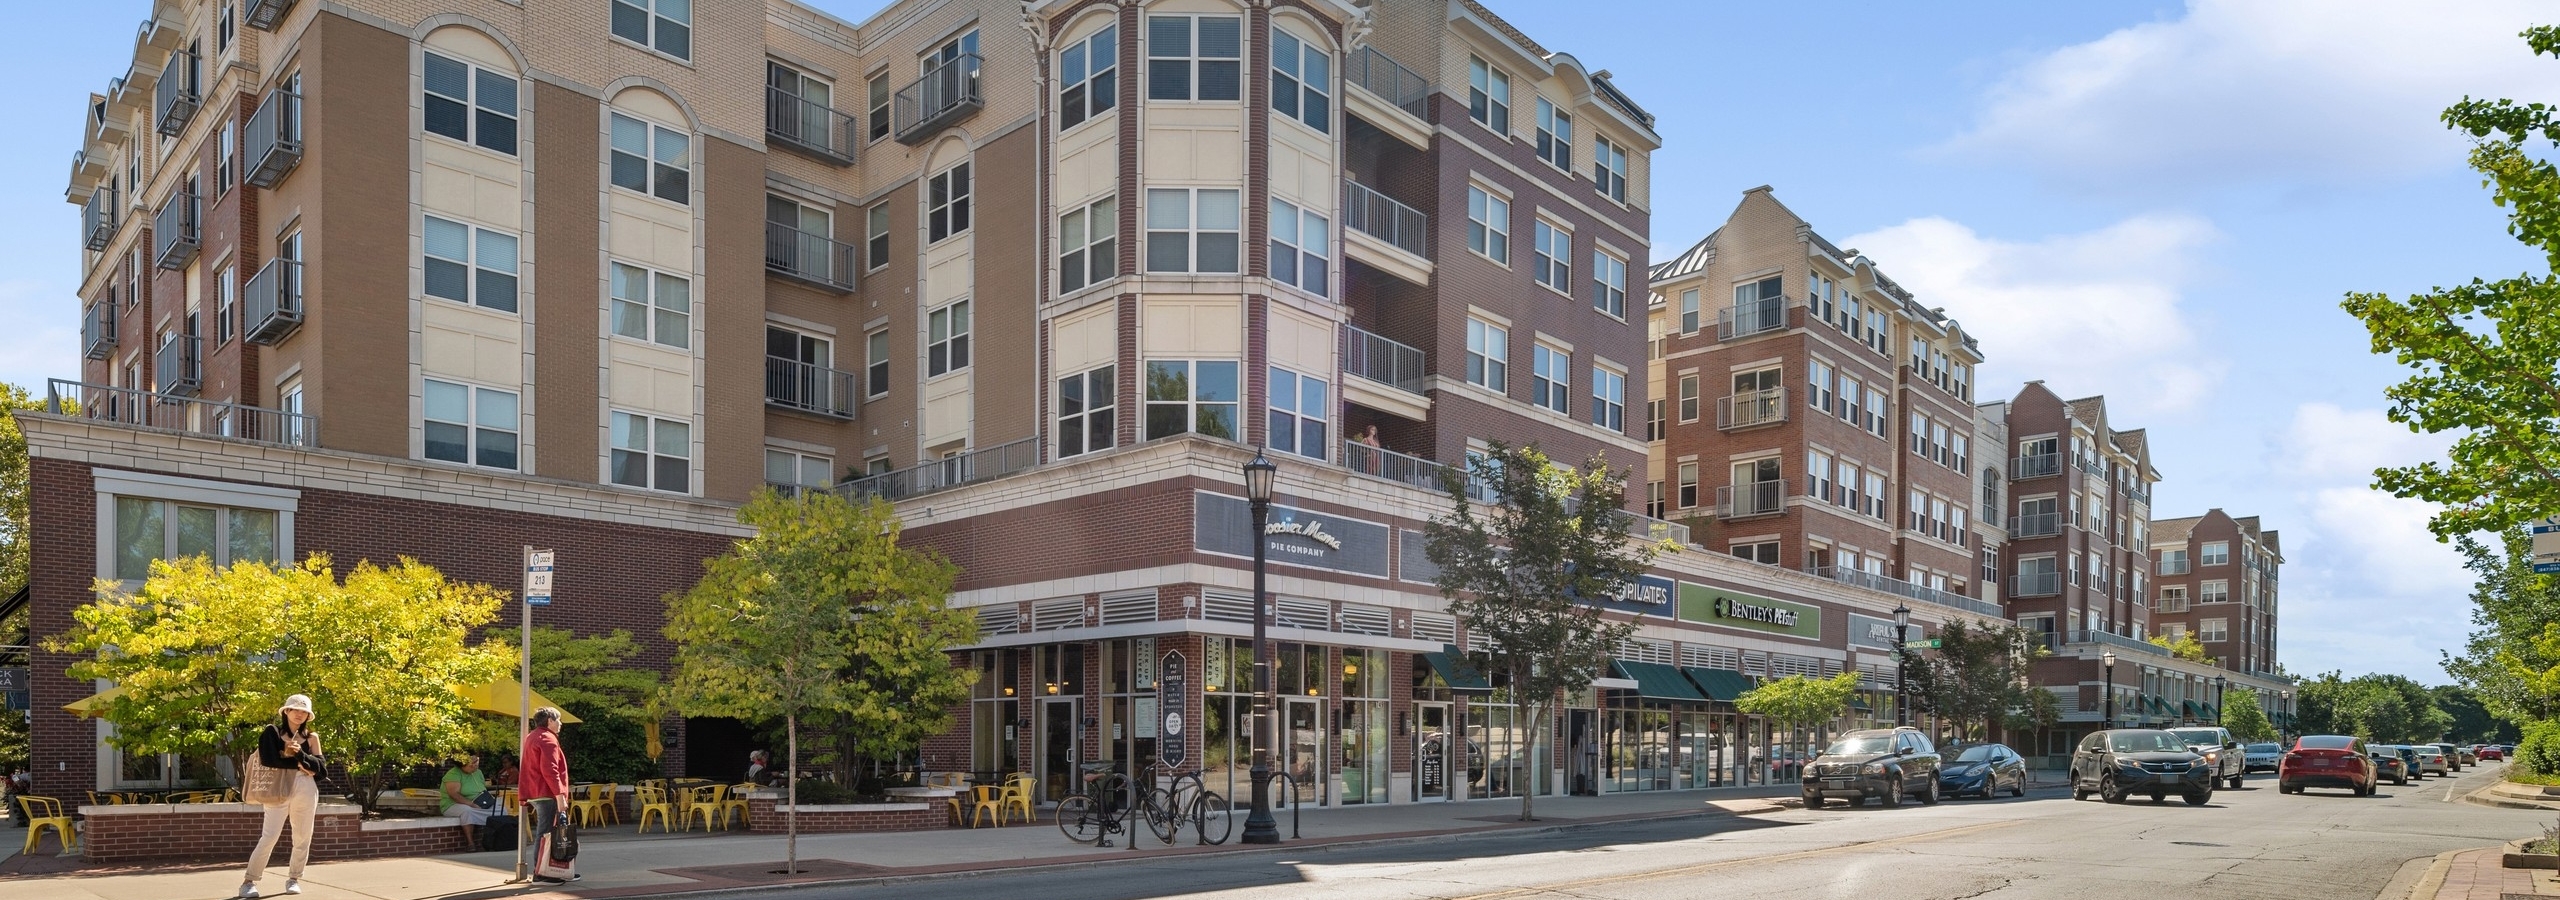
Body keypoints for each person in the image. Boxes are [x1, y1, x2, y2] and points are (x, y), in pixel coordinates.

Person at [240, 694, 323, 899]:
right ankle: (249, 881)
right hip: (278, 788)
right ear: (286, 711)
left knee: (303, 836)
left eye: (304, 711)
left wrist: (301, 755)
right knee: (269, 836)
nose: (299, 714)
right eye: (295, 709)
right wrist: (301, 764)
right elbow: (269, 760)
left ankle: (294, 878)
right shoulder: (272, 732)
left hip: (305, 788)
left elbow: (321, 770)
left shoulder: (312, 738)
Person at [518, 707, 577, 884]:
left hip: (536, 791)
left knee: (547, 832)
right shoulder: (548, 739)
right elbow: (550, 770)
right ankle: (541, 873)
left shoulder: (533, 736)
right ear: (550, 720)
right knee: (545, 834)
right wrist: (560, 796)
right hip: (546, 792)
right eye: (558, 720)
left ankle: (555, 870)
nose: (561, 723)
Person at [438, 755, 492, 848]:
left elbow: (482, 789)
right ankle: (470, 843)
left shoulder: (478, 772)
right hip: (454, 804)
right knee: (467, 811)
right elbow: (454, 795)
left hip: (479, 801)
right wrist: (472, 804)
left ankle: (495, 839)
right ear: (462, 766)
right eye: (471, 764)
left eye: (476, 762)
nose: (475, 766)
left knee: (500, 808)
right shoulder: (453, 774)